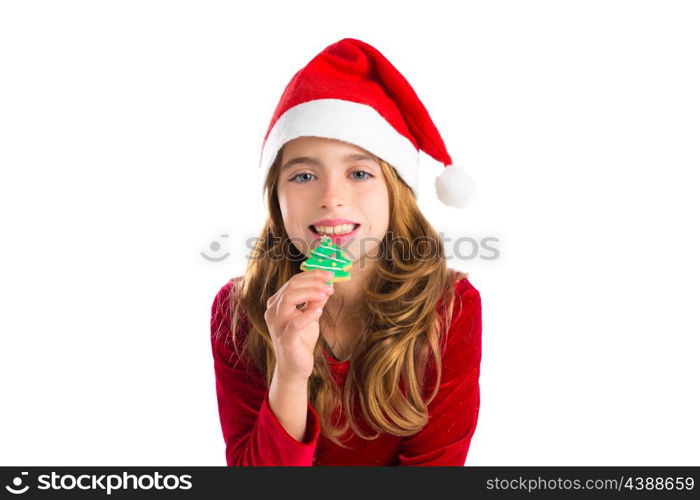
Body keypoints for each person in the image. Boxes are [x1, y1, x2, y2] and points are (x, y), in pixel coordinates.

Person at [210, 38, 482, 466]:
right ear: (276, 199)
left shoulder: (451, 308)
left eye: (358, 172)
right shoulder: (239, 310)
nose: (331, 197)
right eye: (303, 175)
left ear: (397, 193)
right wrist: (290, 373)